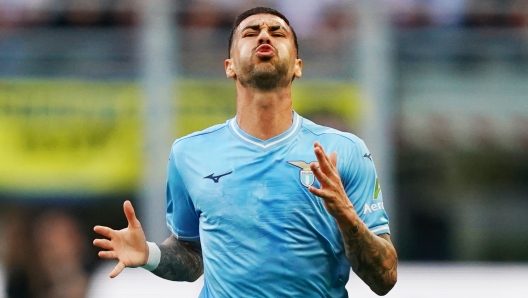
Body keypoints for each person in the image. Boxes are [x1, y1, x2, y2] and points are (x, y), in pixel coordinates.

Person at [93, 6, 398, 297]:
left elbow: (385, 279)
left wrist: (347, 218)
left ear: (297, 66)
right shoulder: (188, 154)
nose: (264, 35)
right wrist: (150, 254)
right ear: (229, 66)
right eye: (251, 32)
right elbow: (191, 254)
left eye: (278, 33)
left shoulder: (342, 152)